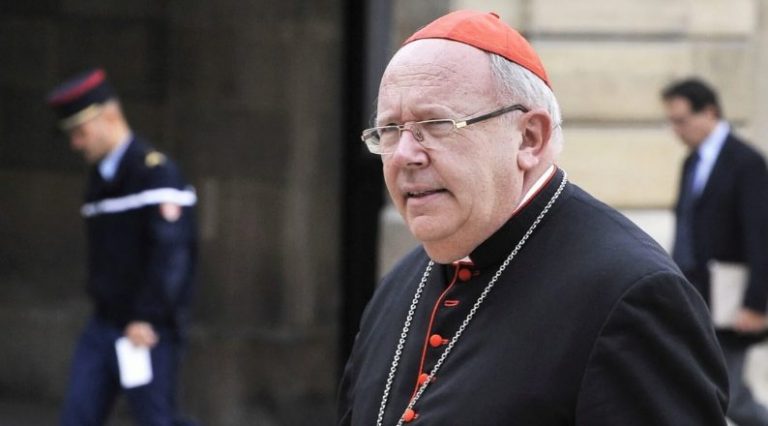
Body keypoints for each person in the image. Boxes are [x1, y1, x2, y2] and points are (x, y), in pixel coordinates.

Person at [337, 10, 729, 426]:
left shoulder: (630, 294)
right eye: (390, 130)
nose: (404, 155)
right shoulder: (400, 285)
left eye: (435, 125)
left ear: (529, 138)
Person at [47, 68, 198, 426]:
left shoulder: (155, 173)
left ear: (110, 116)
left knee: (155, 419)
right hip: (104, 324)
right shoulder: (99, 180)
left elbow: (172, 255)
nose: (76, 144)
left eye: (81, 132)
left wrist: (147, 316)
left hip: (144, 331)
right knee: (77, 416)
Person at [663, 78, 768, 426]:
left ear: (709, 112)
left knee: (731, 397)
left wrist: (756, 304)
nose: (677, 130)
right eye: (671, 122)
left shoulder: (746, 162)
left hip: (730, 299)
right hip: (693, 295)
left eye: (681, 120)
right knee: (693, 389)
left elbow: (760, 236)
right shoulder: (691, 162)